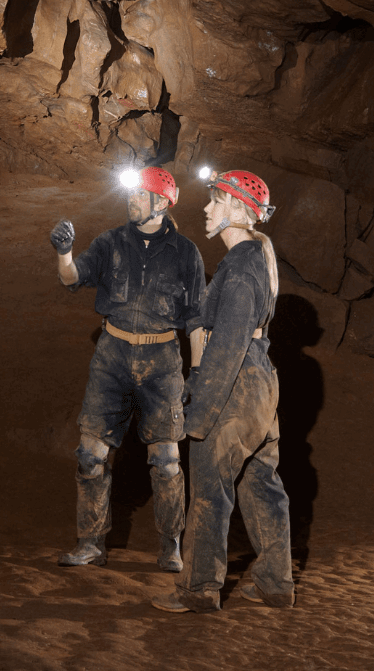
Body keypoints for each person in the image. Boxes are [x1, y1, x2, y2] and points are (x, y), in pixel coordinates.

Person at [49, 166, 206, 572]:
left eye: (139, 194)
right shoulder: (110, 243)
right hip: (112, 356)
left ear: (161, 202)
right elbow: (71, 278)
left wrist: (198, 372)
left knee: (167, 461)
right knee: (90, 456)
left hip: (162, 362)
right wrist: (64, 252)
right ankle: (90, 543)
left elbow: (196, 319)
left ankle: (171, 546)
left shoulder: (185, 253)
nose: (131, 200)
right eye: (131, 193)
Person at [152, 168, 295, 612]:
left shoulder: (240, 270)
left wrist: (199, 411)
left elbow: (227, 346)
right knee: (262, 485)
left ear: (237, 209)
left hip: (236, 385)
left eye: (216, 201)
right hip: (262, 384)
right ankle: (275, 584)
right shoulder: (253, 261)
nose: (207, 208)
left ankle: (198, 590)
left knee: (210, 491)